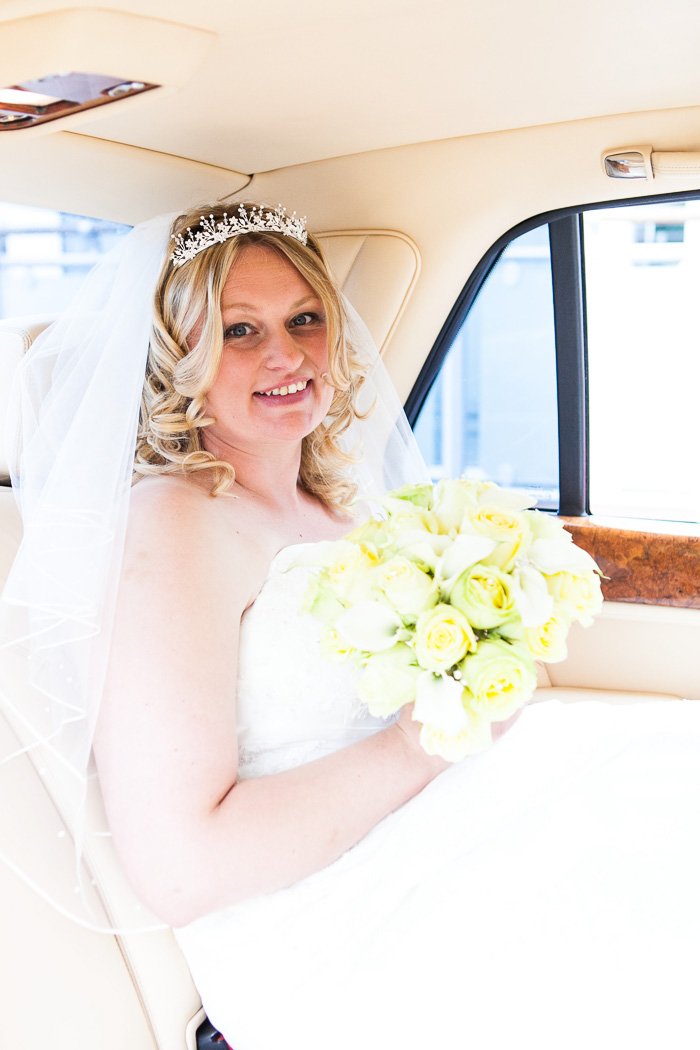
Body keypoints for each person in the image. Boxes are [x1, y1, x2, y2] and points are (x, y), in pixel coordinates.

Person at [2, 201, 700, 1050]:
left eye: (304, 319)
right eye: (240, 331)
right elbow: (182, 868)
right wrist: (421, 744)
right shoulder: (172, 525)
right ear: (177, 359)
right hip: (337, 918)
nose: (288, 354)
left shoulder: (335, 501)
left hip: (444, 828)